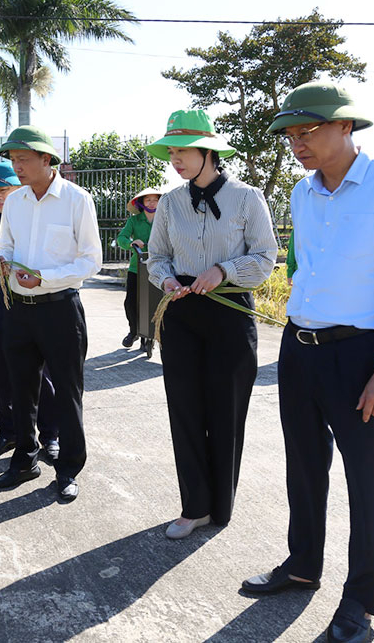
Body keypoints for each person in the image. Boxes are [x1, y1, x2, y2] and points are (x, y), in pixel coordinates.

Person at [241, 82, 374, 643]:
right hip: (300, 351)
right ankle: (302, 563)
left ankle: (361, 603)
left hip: (362, 356)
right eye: (291, 134)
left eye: (309, 131)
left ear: (346, 127)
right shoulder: (304, 194)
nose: (298, 143)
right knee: (303, 467)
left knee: (367, 480)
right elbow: (309, 269)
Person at [144, 109, 278, 539]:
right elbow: (157, 255)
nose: (175, 159)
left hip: (230, 313)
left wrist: (223, 271)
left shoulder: (247, 197)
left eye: (183, 150)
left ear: (209, 152)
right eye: (171, 151)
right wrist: (164, 277)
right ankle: (194, 506)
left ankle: (221, 505)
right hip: (180, 312)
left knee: (226, 411)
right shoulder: (169, 202)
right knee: (184, 410)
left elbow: (265, 257)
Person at [0, 125, 102, 503]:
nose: (17, 166)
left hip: (60, 311)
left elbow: (92, 260)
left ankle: (69, 469)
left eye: (23, 159)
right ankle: (24, 459)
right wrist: (3, 261)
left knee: (69, 393)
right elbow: (4, 243)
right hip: (19, 311)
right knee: (21, 390)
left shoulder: (76, 199)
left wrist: (47, 278)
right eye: (12, 160)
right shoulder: (17, 201)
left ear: (46, 159)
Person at [0, 162, 59, 459]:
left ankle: (50, 435)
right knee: (4, 377)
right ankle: (8, 433)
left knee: (43, 378)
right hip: (0, 312)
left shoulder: (35, 222)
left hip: (35, 311)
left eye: (4, 190)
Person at [116, 186, 162, 349]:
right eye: (148, 199)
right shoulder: (134, 221)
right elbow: (121, 238)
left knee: (156, 302)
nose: (151, 202)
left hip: (160, 268)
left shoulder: (165, 219)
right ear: (141, 203)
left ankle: (153, 334)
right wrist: (131, 243)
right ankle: (134, 331)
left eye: (155, 199)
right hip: (137, 267)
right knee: (131, 302)